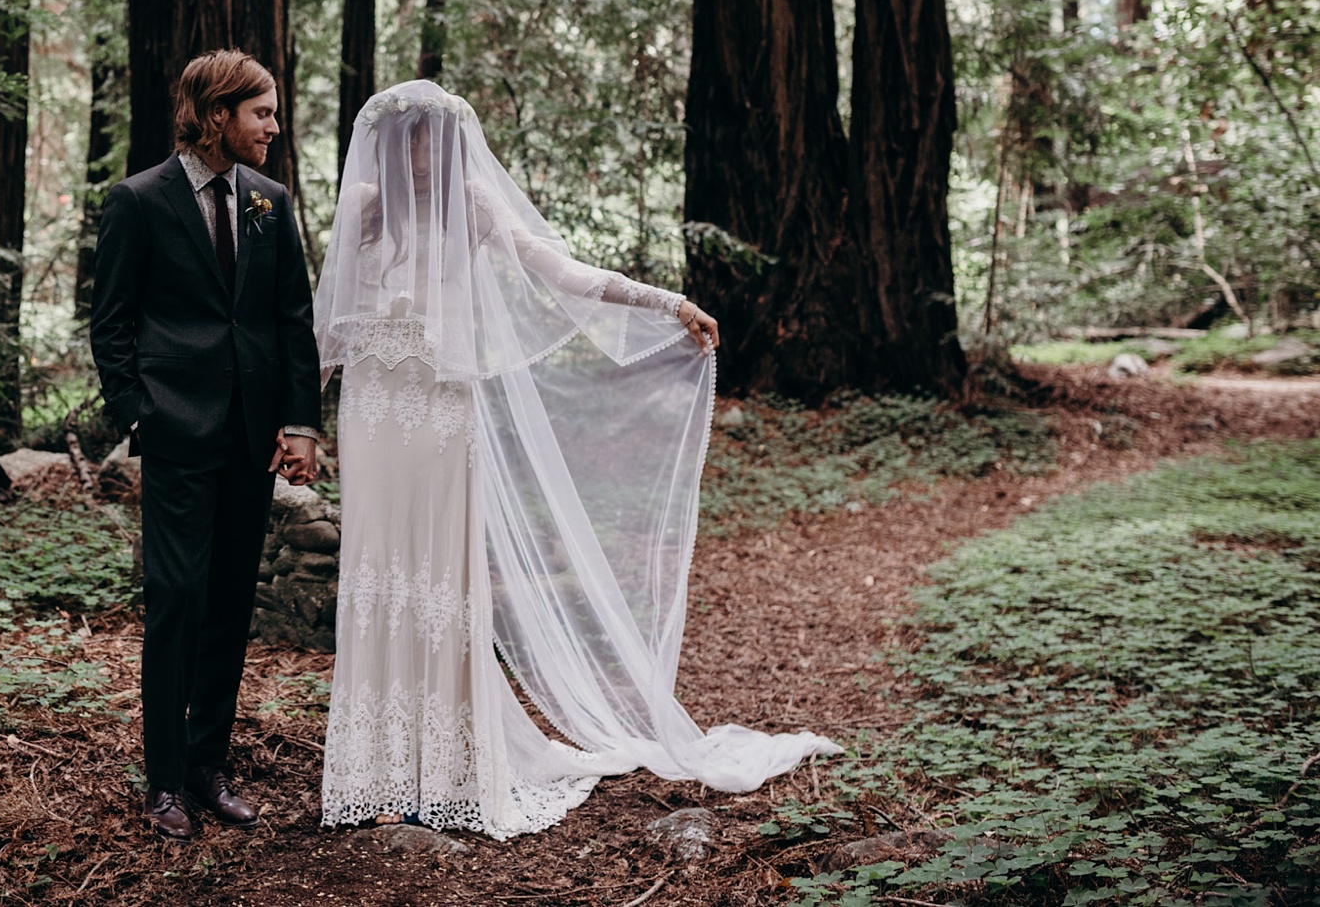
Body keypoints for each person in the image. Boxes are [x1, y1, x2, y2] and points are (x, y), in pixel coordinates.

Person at [314, 80, 839, 840]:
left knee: (437, 578)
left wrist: (667, 303)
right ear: (395, 145)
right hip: (374, 416)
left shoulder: (474, 203)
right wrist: (293, 419)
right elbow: (327, 326)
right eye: (414, 139)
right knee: (378, 572)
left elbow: (563, 273)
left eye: (436, 138)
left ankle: (446, 766)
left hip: (441, 415)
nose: (426, 152)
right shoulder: (364, 206)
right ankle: (379, 767)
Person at [89, 50, 324, 841]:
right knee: (177, 602)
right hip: (177, 434)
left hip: (251, 440)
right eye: (262, 113)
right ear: (218, 114)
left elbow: (293, 317)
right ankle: (161, 783)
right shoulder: (138, 201)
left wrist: (300, 423)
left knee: (228, 604)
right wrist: (139, 415)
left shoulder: (269, 201)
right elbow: (111, 322)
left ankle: (207, 766)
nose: (273, 127)